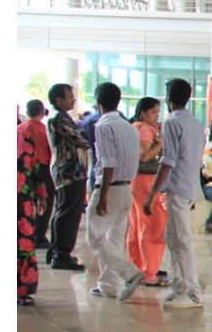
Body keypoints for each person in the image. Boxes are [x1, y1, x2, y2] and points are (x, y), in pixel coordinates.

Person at [143, 78, 205, 309]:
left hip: (179, 187)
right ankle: (179, 285)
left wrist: (152, 194)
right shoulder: (196, 123)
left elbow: (168, 161)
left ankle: (193, 292)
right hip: (189, 186)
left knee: (181, 240)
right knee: (174, 238)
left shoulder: (171, 122)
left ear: (168, 97)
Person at [84, 82, 146, 302]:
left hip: (110, 188)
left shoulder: (103, 126)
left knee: (94, 237)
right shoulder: (129, 127)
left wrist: (102, 195)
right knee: (115, 239)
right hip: (127, 188)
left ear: (97, 101)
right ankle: (108, 285)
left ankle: (129, 273)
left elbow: (108, 162)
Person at [46, 82, 91, 271]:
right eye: (70, 97)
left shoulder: (61, 118)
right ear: (59, 100)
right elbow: (82, 140)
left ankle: (56, 251)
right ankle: (61, 255)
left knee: (63, 211)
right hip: (69, 172)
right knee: (68, 214)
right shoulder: (60, 119)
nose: (73, 100)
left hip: (70, 171)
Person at [127, 97, 168, 287]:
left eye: (158, 112)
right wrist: (160, 145)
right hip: (145, 179)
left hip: (136, 180)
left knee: (137, 224)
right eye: (153, 112)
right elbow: (144, 156)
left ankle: (138, 267)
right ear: (143, 112)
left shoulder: (135, 127)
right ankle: (149, 272)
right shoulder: (144, 129)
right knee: (153, 224)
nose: (156, 116)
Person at [18, 124, 49, 306]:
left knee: (23, 243)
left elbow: (35, 168)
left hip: (21, 200)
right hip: (22, 199)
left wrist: (42, 195)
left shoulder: (24, 136)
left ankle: (21, 290)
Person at [18, 99, 53, 248]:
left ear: (27, 112)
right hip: (43, 169)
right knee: (45, 202)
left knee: (25, 203)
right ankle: (39, 235)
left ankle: (26, 233)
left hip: (23, 171)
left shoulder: (20, 129)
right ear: (42, 112)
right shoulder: (45, 130)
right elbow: (51, 152)